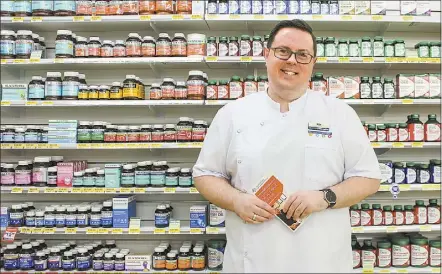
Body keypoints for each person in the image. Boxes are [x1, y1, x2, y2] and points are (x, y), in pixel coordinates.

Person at [193, 19, 381, 273]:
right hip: (253, 260)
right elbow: (205, 175)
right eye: (283, 51)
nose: (292, 61)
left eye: (303, 55)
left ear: (313, 63)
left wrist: (324, 198)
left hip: (321, 261)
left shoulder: (340, 114)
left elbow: (368, 178)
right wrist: (236, 201)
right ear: (266, 54)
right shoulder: (232, 113)